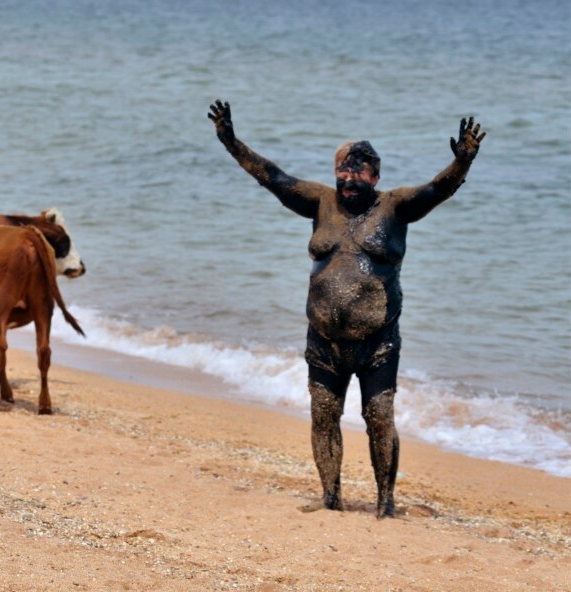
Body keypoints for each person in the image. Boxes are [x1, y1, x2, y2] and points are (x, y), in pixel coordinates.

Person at [208, 100, 485, 518]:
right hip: (323, 341)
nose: (349, 178)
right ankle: (331, 498)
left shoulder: (396, 207)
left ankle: (385, 503)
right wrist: (230, 141)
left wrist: (461, 163)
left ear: (376, 176)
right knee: (323, 414)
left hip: (378, 342)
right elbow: (272, 177)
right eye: (343, 170)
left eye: (359, 172)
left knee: (379, 416)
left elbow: (436, 190)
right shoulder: (320, 202)